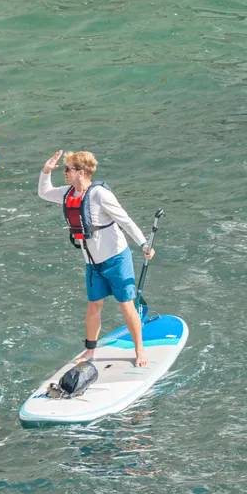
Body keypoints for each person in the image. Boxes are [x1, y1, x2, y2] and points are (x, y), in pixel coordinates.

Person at [38, 150, 154, 367]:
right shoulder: (67, 193)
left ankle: (139, 350)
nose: (64, 172)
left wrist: (143, 244)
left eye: (68, 169)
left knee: (126, 305)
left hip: (116, 259)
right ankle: (90, 351)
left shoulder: (100, 194)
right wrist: (46, 170)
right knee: (94, 305)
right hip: (92, 263)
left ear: (81, 172)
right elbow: (44, 192)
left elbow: (126, 220)